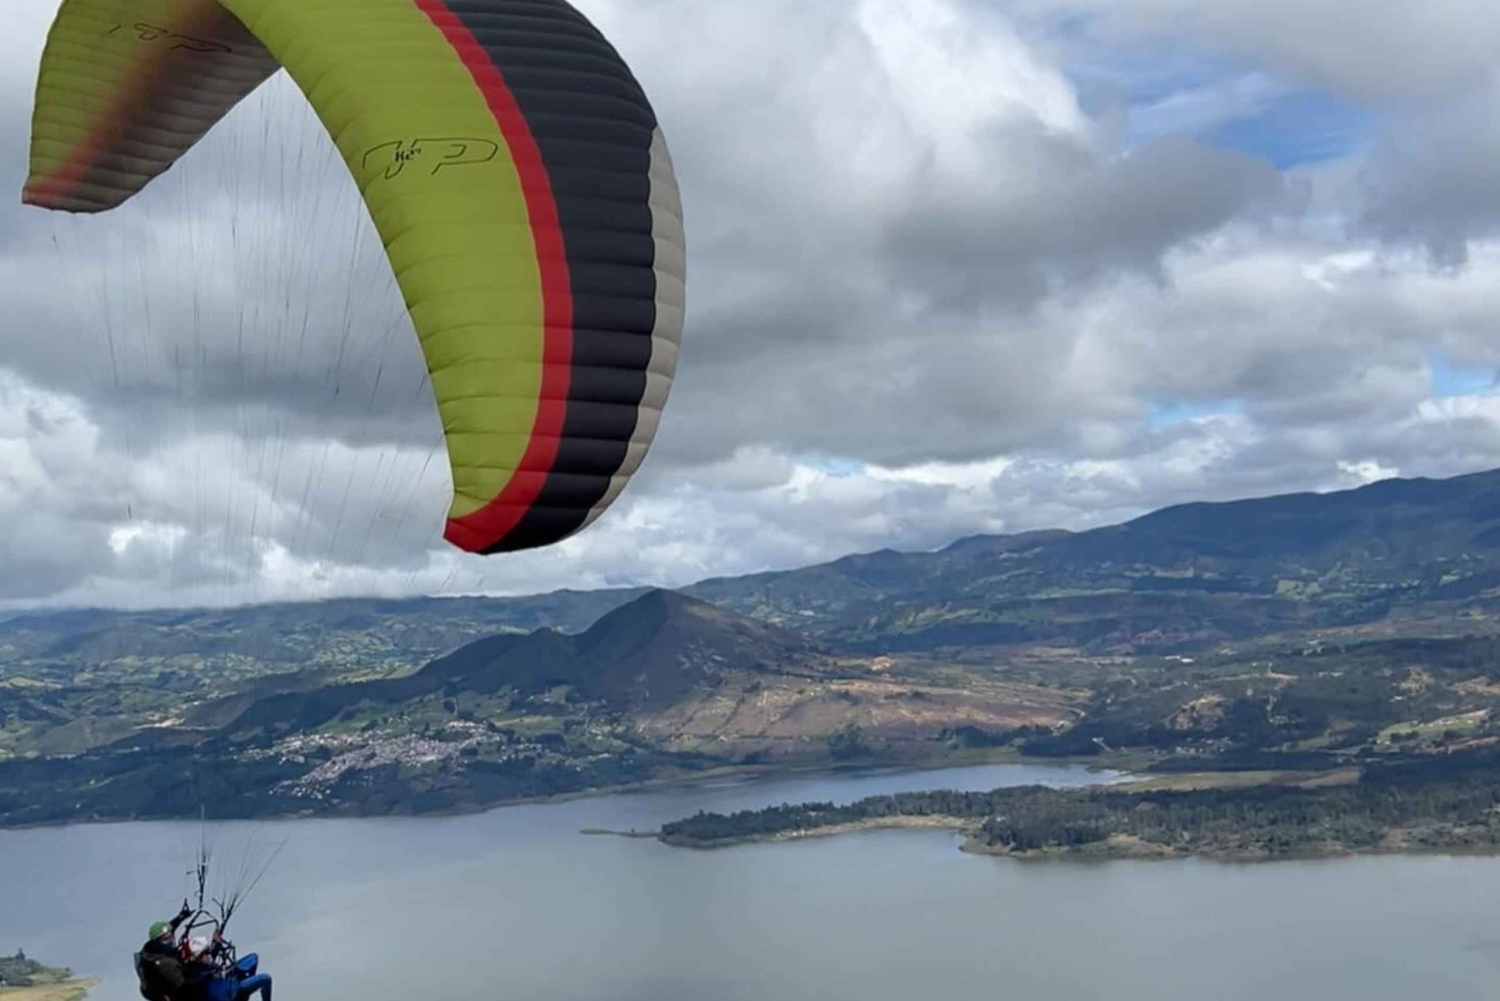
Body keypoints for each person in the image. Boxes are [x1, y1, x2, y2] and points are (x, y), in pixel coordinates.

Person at [134, 901, 193, 1001]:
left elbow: (168, 929)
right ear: (157, 942)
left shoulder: (153, 945)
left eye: (171, 937)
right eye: (166, 939)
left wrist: (180, 917)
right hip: (162, 992)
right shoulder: (161, 964)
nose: (170, 941)